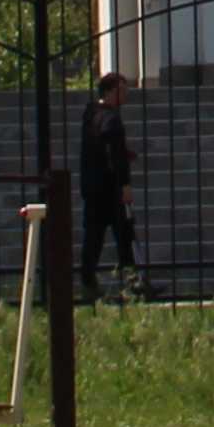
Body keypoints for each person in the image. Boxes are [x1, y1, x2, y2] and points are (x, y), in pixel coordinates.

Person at [79, 71, 139, 300]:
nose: (126, 95)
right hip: (110, 188)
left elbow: (100, 147)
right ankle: (132, 283)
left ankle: (88, 281)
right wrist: (124, 185)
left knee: (93, 236)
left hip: (92, 187)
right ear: (111, 91)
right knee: (124, 235)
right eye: (123, 91)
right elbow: (114, 153)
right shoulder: (111, 118)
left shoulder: (91, 113)